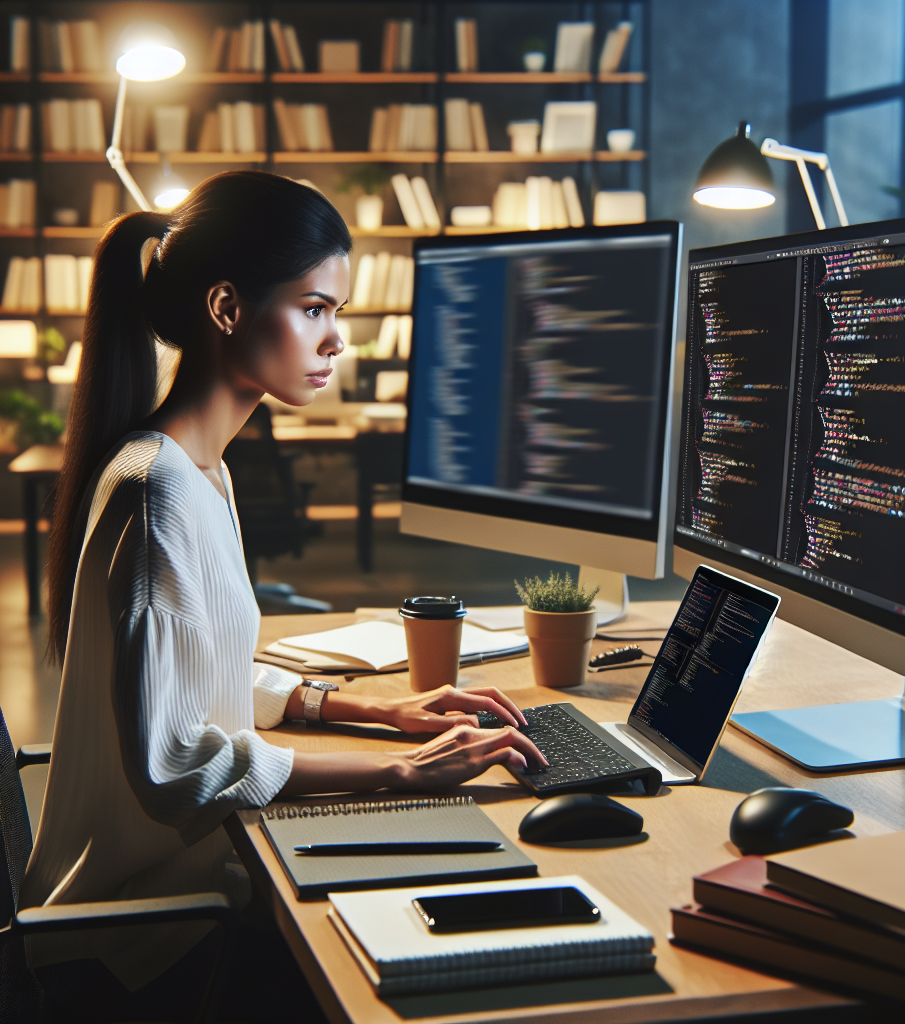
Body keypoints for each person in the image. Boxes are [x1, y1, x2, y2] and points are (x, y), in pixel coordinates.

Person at [21, 171, 544, 1022]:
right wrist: (401, 772)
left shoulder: (192, 469)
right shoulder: (159, 493)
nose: (337, 341)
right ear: (227, 309)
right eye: (314, 309)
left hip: (176, 902)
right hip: (138, 947)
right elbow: (179, 768)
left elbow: (198, 665)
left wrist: (374, 713)